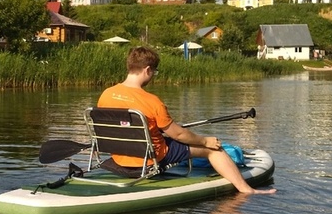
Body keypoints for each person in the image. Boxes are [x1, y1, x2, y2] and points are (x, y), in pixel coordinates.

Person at [97, 46, 276, 195]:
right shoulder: (152, 101)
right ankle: (246, 189)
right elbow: (180, 134)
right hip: (149, 159)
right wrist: (206, 141)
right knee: (213, 149)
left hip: (119, 158)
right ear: (147, 70)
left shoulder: (106, 94)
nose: (153, 76)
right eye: (154, 72)